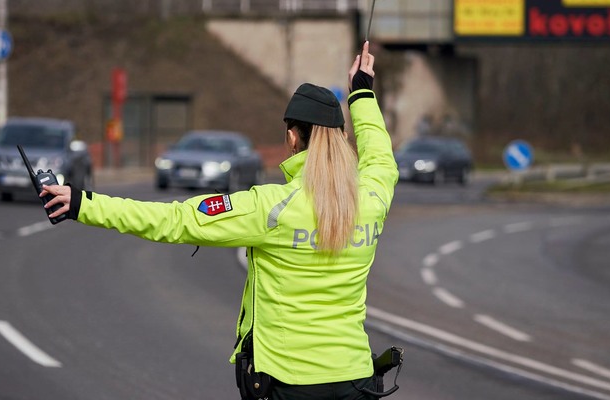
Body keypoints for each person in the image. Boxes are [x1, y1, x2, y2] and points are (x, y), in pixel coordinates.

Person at [40, 41, 398, 400]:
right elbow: (380, 155)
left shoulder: (270, 206)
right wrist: (362, 93)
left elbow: (174, 220)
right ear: (339, 137)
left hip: (290, 384)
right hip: (356, 381)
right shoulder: (371, 198)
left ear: (292, 138)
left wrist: (82, 204)